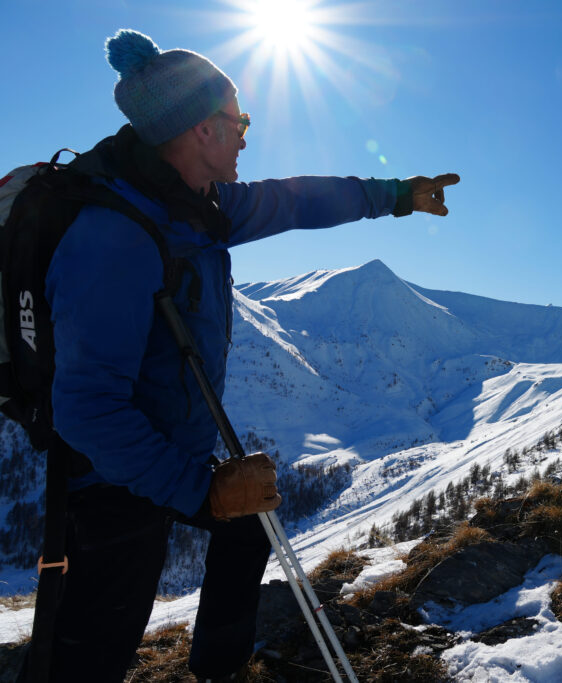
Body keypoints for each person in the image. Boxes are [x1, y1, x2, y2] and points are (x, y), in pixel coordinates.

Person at [18, 28, 458, 682]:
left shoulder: (200, 204)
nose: (248, 133)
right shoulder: (114, 238)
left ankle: (219, 669)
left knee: (247, 523)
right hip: (109, 476)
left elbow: (298, 200)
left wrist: (394, 196)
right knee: (96, 649)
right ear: (201, 130)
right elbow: (85, 410)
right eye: (239, 119)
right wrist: (203, 489)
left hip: (170, 445)